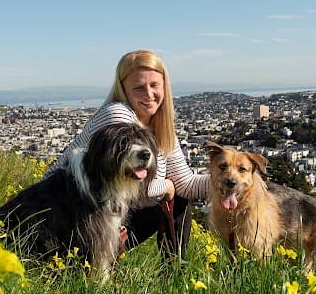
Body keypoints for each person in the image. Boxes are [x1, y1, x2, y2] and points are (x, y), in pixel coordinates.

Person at [51, 49, 209, 260]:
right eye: (139, 88)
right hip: (70, 217)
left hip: (108, 212)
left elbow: (187, 184)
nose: (149, 95)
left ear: (164, 86)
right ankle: (89, 259)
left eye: (154, 85)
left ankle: (174, 271)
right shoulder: (118, 117)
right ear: (123, 89)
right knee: (172, 193)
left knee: (179, 198)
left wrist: (238, 181)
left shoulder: (161, 125)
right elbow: (136, 186)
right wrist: (168, 186)